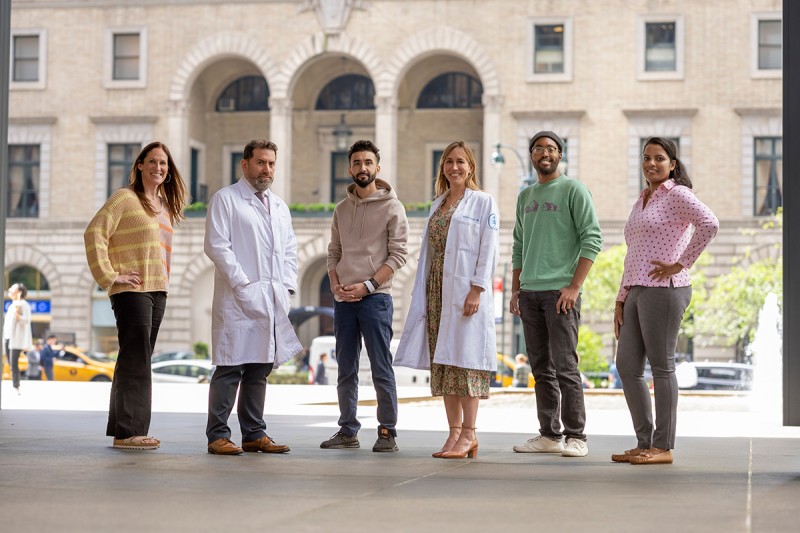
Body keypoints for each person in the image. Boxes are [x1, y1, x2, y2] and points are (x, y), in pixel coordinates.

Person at [612, 137, 718, 465]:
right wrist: (620, 298)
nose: (652, 163)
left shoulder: (678, 195)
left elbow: (709, 224)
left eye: (659, 158)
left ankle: (663, 447)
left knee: (661, 366)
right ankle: (644, 442)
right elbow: (635, 253)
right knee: (627, 366)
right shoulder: (642, 198)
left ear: (672, 164)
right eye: (647, 158)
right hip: (636, 289)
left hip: (665, 288)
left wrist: (681, 262)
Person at [395, 141, 499, 459]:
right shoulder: (437, 205)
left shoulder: (483, 203)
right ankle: (453, 433)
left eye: (461, 162)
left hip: (467, 294)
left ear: (471, 168)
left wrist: (478, 289)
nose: (455, 167)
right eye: (449, 162)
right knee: (445, 366)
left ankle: (469, 433)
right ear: (443, 167)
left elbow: (489, 248)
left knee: (466, 364)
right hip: (437, 294)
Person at [84, 141, 187, 450]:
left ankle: (121, 430)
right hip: (132, 290)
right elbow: (94, 232)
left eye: (164, 164)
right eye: (153, 161)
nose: (159, 167)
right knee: (137, 360)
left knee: (134, 358)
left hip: (157, 290)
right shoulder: (125, 198)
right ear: (140, 165)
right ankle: (131, 432)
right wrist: (110, 275)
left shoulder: (165, 206)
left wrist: (164, 282)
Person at [204, 139, 302, 456]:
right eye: (260, 162)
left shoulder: (280, 207)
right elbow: (218, 247)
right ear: (245, 164)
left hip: (272, 298)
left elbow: (290, 252)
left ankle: (253, 433)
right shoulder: (226, 200)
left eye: (271, 163)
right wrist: (243, 285)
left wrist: (287, 286)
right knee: (230, 366)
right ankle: (218, 434)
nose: (266, 169)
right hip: (237, 299)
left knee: (259, 368)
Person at [509, 131, 603, 458]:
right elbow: (519, 246)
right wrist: (515, 289)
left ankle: (577, 437)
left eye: (550, 149)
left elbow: (592, 238)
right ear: (532, 156)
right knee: (540, 369)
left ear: (559, 155)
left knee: (565, 366)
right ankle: (549, 435)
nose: (544, 154)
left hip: (560, 293)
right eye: (538, 149)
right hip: (530, 293)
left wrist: (574, 287)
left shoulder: (573, 190)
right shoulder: (526, 197)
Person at [321, 139, 409, 453]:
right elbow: (334, 252)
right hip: (343, 300)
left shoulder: (392, 207)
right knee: (345, 368)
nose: (363, 168)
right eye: (357, 163)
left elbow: (398, 256)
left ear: (377, 168)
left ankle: (387, 432)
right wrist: (334, 283)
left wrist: (368, 286)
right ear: (350, 168)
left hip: (376, 299)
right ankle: (347, 431)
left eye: (368, 163)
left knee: (380, 367)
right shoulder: (341, 209)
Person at [3, 283, 33, 395]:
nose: (10, 291)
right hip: (8, 337)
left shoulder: (23, 304)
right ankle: (15, 384)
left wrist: (19, 316)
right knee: (11, 362)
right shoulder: (12, 305)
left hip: (16, 339)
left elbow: (27, 320)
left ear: (19, 292)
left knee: (13, 362)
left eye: (13, 289)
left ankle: (16, 386)